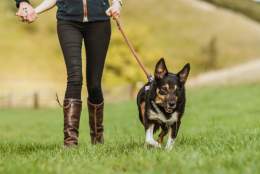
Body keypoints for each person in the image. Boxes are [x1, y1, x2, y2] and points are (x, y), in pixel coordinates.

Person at [15, 0, 122, 147]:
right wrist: (35, 10)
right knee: (75, 77)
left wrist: (117, 4)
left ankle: (97, 140)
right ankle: (70, 142)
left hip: (99, 21)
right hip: (68, 22)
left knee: (94, 85)